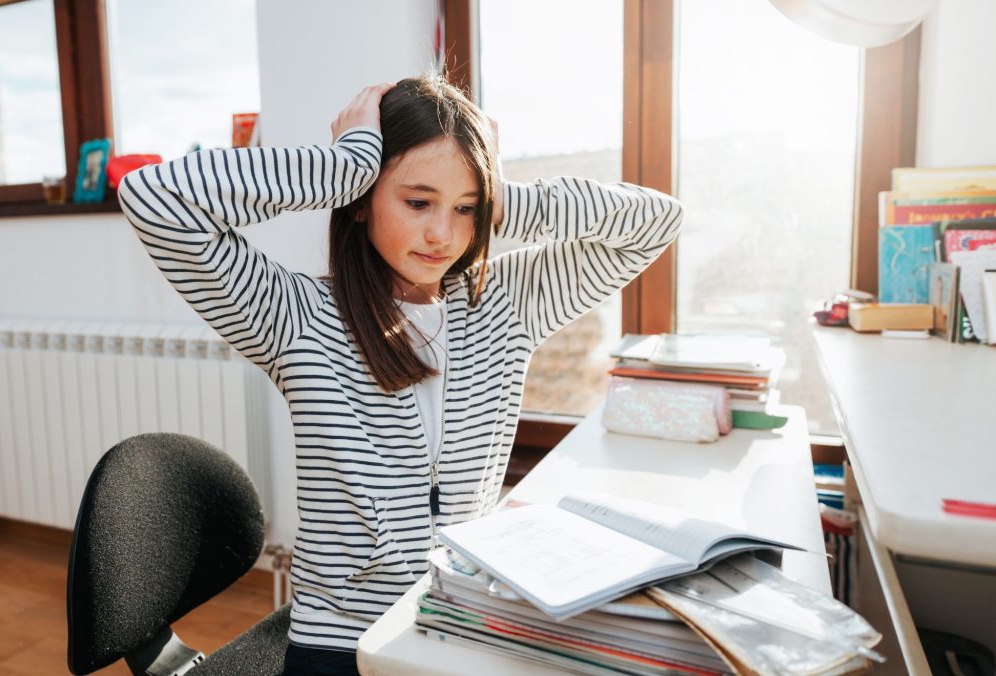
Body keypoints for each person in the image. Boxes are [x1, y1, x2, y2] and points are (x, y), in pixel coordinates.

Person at [118, 74, 683, 675]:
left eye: (465, 208)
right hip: (342, 640)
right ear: (363, 199)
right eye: (418, 202)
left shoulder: (508, 300)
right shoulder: (295, 316)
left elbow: (657, 222)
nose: (443, 234)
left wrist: (500, 193)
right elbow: (155, 200)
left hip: (460, 617)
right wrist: (346, 165)